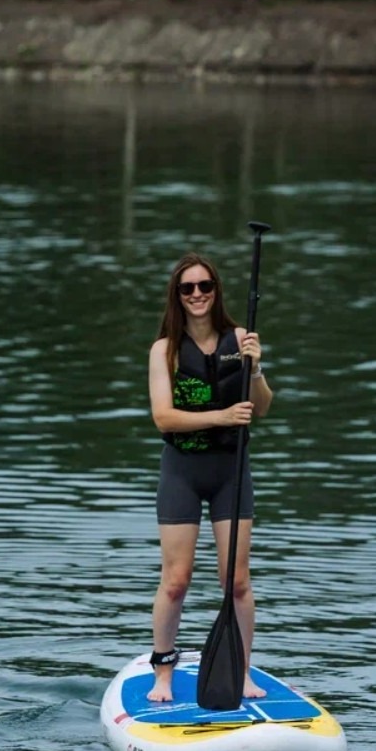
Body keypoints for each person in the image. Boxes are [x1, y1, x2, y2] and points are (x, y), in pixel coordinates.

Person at [146, 252, 274, 703]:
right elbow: (163, 417)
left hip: (230, 472)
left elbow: (261, 407)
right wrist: (221, 414)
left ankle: (240, 674)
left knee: (236, 582)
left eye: (205, 286)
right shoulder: (164, 350)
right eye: (188, 288)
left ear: (216, 291)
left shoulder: (239, 338)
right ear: (177, 297)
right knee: (177, 579)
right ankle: (163, 672)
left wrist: (254, 369)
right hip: (182, 471)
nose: (197, 294)